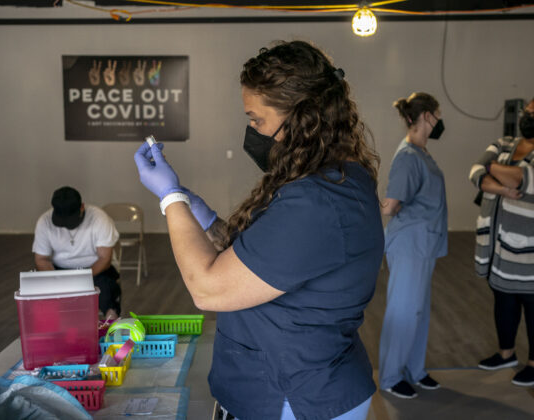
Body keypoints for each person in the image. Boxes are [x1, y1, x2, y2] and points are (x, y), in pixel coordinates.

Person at [133, 40, 384, 420]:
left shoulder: (317, 203)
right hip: (297, 382)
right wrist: (198, 211)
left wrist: (170, 199)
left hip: (296, 396)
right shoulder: (335, 181)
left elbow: (208, 287)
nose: (252, 130)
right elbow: (255, 259)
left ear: (303, 116)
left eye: (257, 120)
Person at [469, 95, 534, 386]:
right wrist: (496, 181)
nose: (528, 117)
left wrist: (492, 170)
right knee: (503, 297)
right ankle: (506, 353)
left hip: (531, 250)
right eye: (527, 112)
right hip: (498, 244)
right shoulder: (504, 144)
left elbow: (523, 179)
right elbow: (474, 171)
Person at [377, 93, 448, 399]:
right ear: (426, 116)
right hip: (409, 245)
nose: (439, 120)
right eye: (437, 114)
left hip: (425, 245)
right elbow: (390, 206)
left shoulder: (422, 152)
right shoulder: (408, 156)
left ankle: (414, 370)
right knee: (404, 311)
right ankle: (392, 376)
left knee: (417, 311)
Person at [32, 186, 121, 319]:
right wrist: (56, 280)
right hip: (59, 270)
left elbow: (104, 259)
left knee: (106, 290)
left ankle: (110, 323)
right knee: (38, 291)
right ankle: (51, 327)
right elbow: (41, 259)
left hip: (96, 269)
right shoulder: (44, 222)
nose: (67, 225)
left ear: (82, 207)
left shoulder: (99, 218)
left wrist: (80, 278)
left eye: (70, 220)